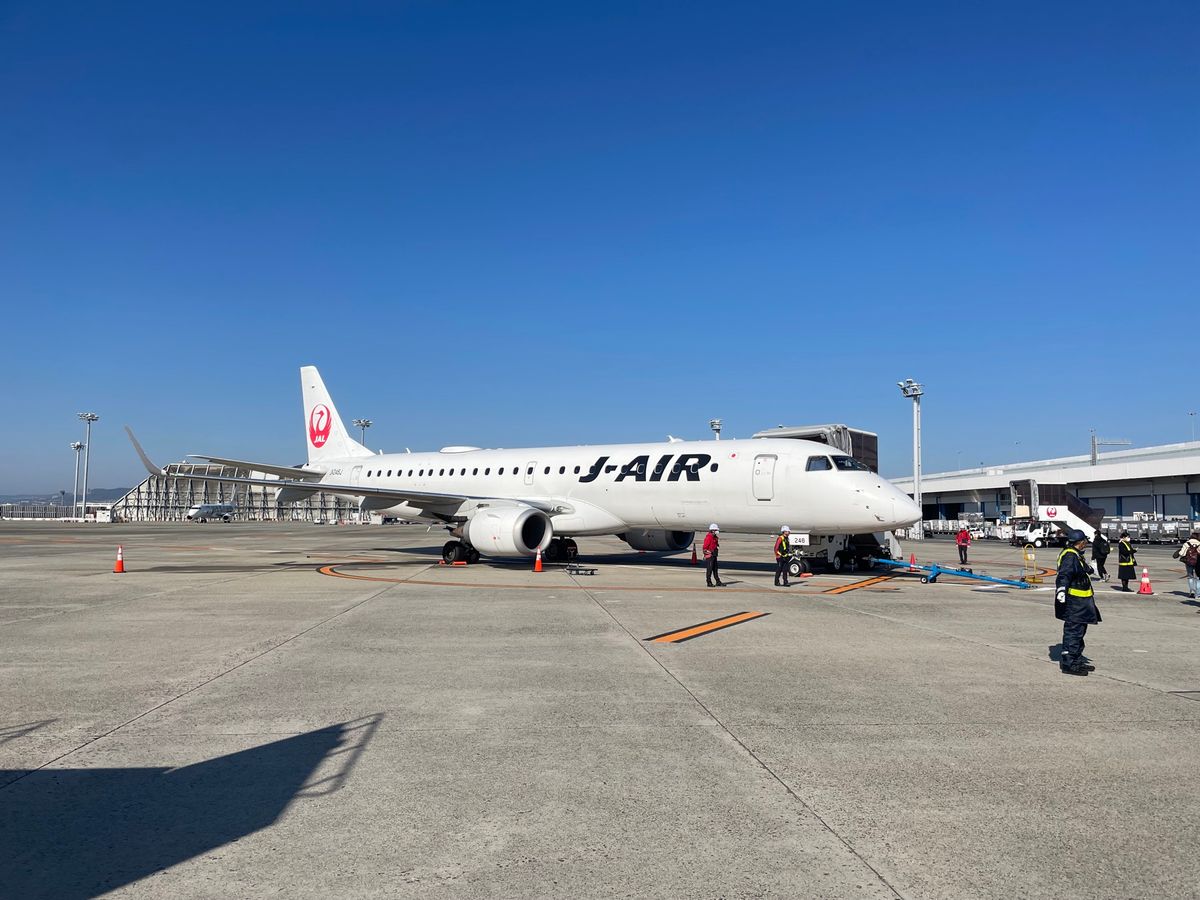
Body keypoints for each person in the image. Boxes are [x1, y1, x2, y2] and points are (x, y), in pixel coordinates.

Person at [1055, 529, 1101, 676]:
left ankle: (1076, 658)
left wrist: (1090, 569)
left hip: (1082, 602)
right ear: (1080, 542)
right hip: (1074, 603)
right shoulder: (1070, 556)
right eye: (1085, 542)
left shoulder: (1075, 555)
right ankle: (1069, 663)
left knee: (1080, 632)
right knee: (1073, 632)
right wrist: (1061, 590)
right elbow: (1064, 574)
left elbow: (1081, 569)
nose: (1086, 544)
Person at [1173, 531, 1200, 598]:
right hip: (1198, 562)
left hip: (1189, 562)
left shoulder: (1187, 543)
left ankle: (1192, 592)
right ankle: (1198, 594)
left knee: (1190, 577)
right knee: (1198, 578)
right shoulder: (1199, 543)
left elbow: (1182, 554)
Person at [703, 523, 724, 588]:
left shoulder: (715, 537)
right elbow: (705, 547)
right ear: (712, 530)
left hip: (714, 555)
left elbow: (715, 544)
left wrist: (717, 546)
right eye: (716, 530)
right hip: (710, 556)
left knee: (715, 569)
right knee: (709, 569)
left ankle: (718, 582)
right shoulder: (709, 537)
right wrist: (706, 554)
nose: (717, 531)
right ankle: (709, 582)